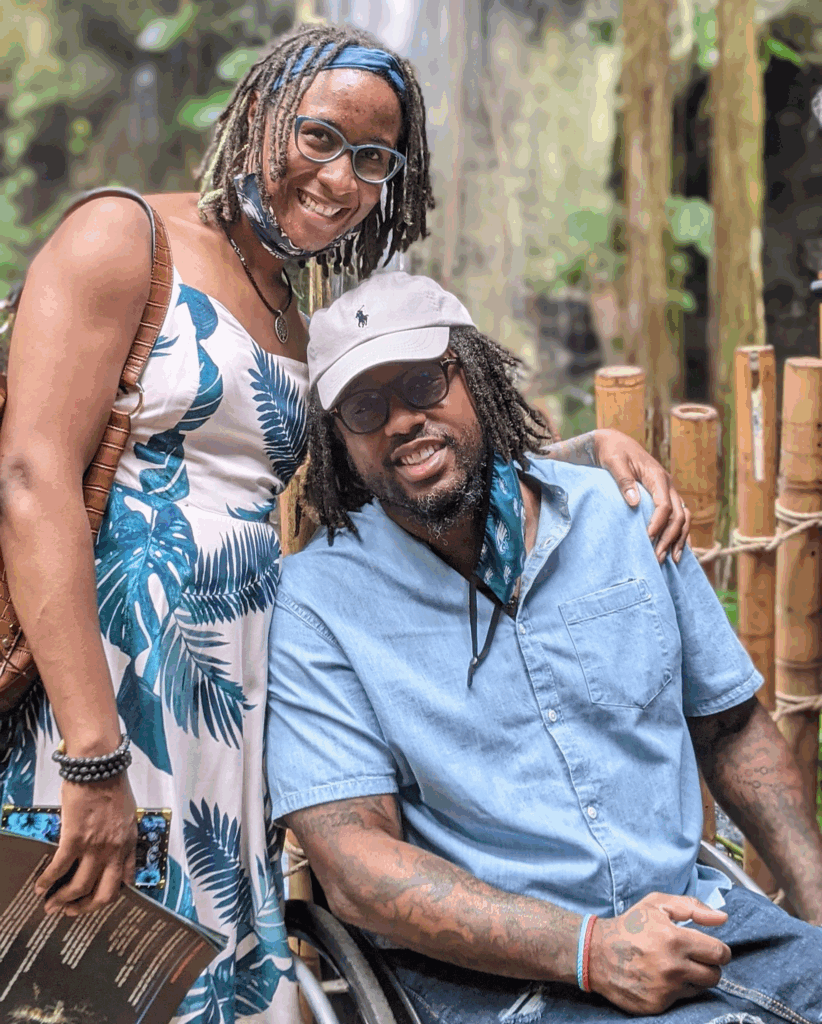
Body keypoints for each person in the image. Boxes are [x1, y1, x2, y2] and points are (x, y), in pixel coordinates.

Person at [0, 23, 688, 1024]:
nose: (342, 178)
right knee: (77, 984)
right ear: (257, 116)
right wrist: (92, 756)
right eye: (319, 137)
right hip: (108, 696)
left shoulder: (293, 310)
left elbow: (384, 469)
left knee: (193, 984)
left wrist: (572, 460)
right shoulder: (123, 238)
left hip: (231, 710)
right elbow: (30, 479)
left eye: (373, 159)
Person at [266, 271, 822, 1024]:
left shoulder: (625, 515)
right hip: (500, 982)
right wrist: (592, 948)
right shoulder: (318, 602)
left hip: (703, 919)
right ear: (340, 441)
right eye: (366, 406)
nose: (401, 420)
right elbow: (357, 866)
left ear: (477, 374)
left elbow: (731, 727)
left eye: (425, 381)